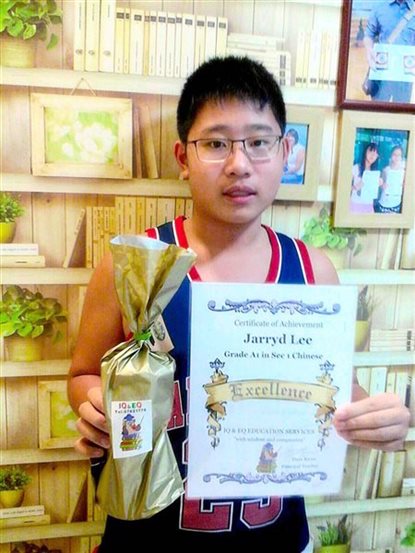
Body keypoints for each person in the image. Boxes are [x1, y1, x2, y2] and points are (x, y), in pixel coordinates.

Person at [68, 56, 410, 552]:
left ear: (285, 152)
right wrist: (97, 407)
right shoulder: (133, 267)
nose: (239, 164)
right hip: (146, 539)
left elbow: (339, 389)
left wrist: (375, 416)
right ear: (183, 157)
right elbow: (82, 373)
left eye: (258, 142)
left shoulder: (313, 273)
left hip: (278, 538)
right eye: (216, 143)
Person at [364, 0, 415, 103]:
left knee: (401, 110)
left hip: (405, 74)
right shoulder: (379, 7)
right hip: (382, 72)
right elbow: (369, 35)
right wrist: (369, 51)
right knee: (378, 109)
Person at [350, 142, 383, 214]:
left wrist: (380, 184)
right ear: (365, 152)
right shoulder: (356, 168)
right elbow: (343, 187)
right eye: (371, 151)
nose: (373, 155)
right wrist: (354, 187)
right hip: (355, 205)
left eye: (375, 154)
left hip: (369, 206)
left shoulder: (376, 172)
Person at [375, 144, 406, 213]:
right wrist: (382, 186)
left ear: (401, 157)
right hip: (384, 202)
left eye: (399, 155)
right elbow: (380, 184)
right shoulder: (386, 169)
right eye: (394, 154)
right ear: (391, 155)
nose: (396, 157)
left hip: (397, 203)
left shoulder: (404, 171)